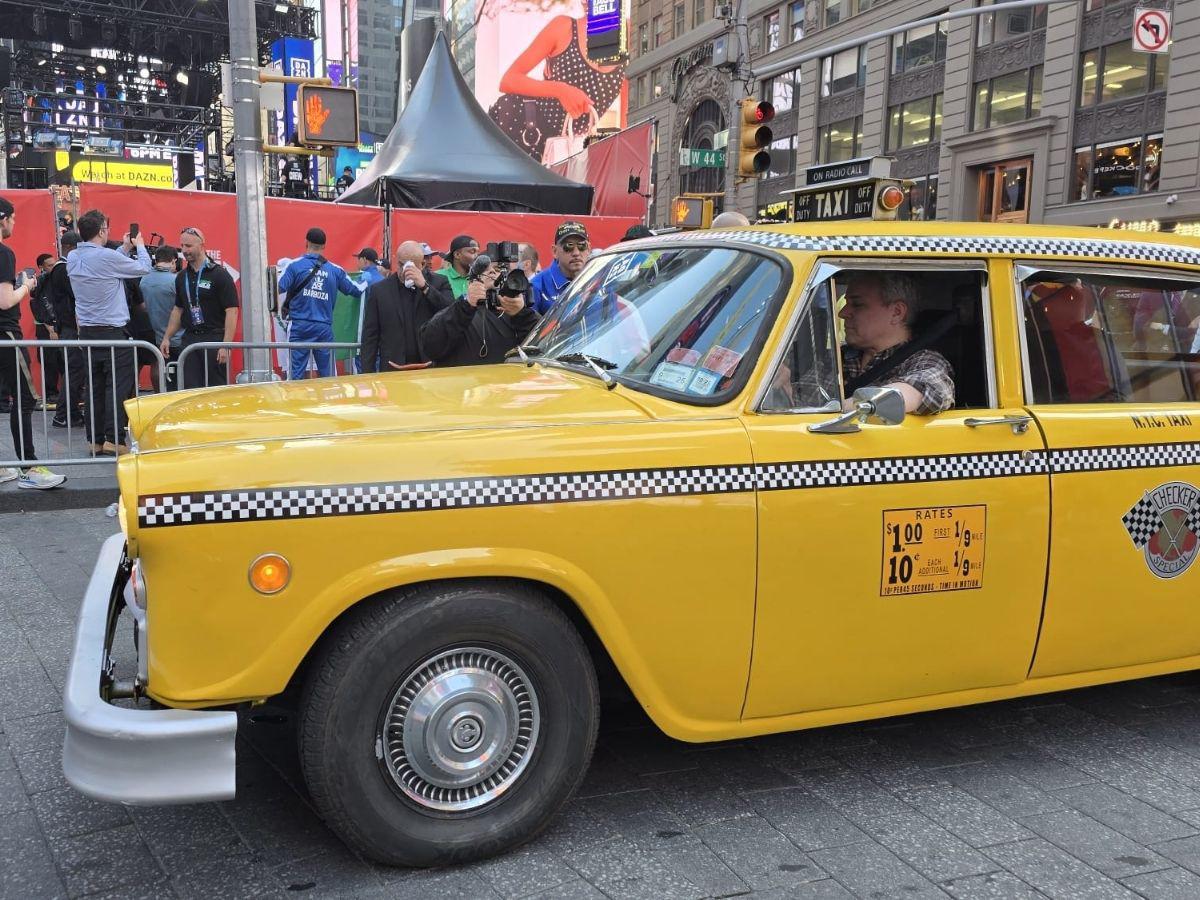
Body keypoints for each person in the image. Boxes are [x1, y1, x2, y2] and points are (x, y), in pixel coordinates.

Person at [67, 208, 151, 455]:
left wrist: (123, 249)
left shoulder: (73, 258)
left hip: (88, 333)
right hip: (113, 332)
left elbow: (105, 263)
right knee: (117, 387)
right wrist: (140, 245)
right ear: (102, 231)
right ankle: (115, 439)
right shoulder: (106, 258)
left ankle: (95, 440)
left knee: (93, 387)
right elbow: (143, 268)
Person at [488, 16, 626, 162]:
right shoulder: (564, 28)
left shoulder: (628, 34)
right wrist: (560, 90)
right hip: (525, 130)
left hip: (568, 148)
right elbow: (508, 80)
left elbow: (630, 110)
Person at [0, 197, 66, 488]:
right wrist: (25, 286)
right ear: (3, 219)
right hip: (6, 333)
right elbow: (5, 301)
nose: (14, 224)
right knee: (25, 398)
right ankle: (29, 467)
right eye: (12, 219)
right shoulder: (3, 253)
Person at [278, 227, 362, 380]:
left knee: (295, 376)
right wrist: (369, 278)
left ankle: (295, 402)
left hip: (299, 327)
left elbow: (275, 288)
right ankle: (330, 402)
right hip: (323, 328)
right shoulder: (335, 270)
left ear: (306, 243)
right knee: (329, 376)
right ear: (324, 246)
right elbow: (356, 290)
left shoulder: (293, 266)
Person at [159, 227, 239, 389]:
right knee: (190, 389)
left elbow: (232, 311)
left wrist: (225, 345)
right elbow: (178, 309)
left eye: (189, 246)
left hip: (214, 339)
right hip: (189, 340)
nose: (184, 250)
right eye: (182, 246)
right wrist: (167, 337)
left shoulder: (219, 275)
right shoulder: (181, 277)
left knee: (215, 390)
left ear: (202, 246)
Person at [361, 240, 455, 373]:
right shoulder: (380, 290)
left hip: (429, 366)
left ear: (422, 264)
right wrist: (367, 374)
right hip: (393, 367)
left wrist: (425, 287)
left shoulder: (439, 283)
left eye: (410, 266)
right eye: (401, 265)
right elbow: (370, 336)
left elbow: (451, 313)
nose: (404, 271)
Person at [420, 265, 539, 367]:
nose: (493, 273)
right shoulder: (459, 311)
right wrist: (466, 304)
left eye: (498, 270)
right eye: (486, 271)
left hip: (507, 388)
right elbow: (430, 346)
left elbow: (544, 350)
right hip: (467, 389)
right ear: (471, 283)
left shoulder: (520, 315)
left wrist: (522, 314)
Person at [44, 231, 86, 428]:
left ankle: (70, 413)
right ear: (70, 248)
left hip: (69, 326)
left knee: (77, 371)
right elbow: (75, 294)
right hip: (70, 327)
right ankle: (63, 414)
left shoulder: (62, 268)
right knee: (75, 371)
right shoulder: (63, 269)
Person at [141, 245, 181, 390]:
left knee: (160, 370)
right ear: (173, 261)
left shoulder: (144, 280)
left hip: (156, 337)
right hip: (178, 339)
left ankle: (159, 396)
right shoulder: (176, 281)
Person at [530, 221, 591, 315]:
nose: (576, 253)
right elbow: (528, 326)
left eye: (581, 246)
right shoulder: (537, 285)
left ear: (589, 249)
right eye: (568, 246)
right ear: (555, 251)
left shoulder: (599, 280)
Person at [31, 252, 61, 411]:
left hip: (59, 325)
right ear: (41, 267)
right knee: (49, 361)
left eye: (54, 264)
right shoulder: (40, 281)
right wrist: (50, 329)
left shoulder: (56, 279)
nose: (53, 267)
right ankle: (50, 393)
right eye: (49, 265)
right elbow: (38, 306)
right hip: (45, 328)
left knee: (63, 360)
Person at [435, 235, 479, 301]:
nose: (476, 256)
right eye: (472, 252)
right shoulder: (438, 276)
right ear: (457, 255)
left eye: (477, 252)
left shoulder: (480, 277)